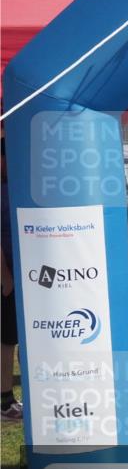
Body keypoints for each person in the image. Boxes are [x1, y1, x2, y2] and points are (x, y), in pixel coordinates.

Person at [0, 129, 21, 421]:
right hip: (8, 277)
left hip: (23, 273)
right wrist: (5, 276)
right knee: (6, 340)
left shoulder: (12, 184)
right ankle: (4, 401)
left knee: (14, 338)